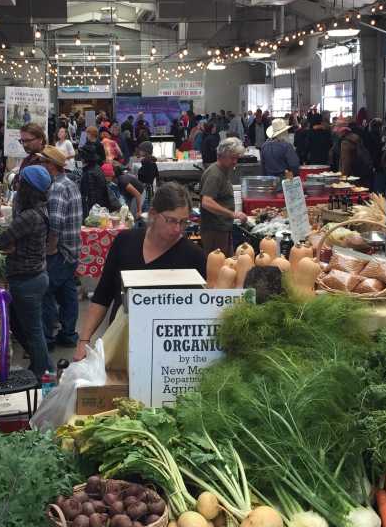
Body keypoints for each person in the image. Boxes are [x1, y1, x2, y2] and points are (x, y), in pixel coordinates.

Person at [73, 183, 206, 362]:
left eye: (183, 222)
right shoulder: (125, 241)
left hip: (166, 354)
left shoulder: (193, 256)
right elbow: (102, 296)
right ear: (152, 214)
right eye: (171, 220)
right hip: (119, 345)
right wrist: (84, 341)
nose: (177, 229)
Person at [0, 165, 53, 379]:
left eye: (20, 182)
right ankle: (40, 368)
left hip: (27, 280)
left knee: (34, 331)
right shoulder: (40, 209)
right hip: (35, 276)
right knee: (26, 327)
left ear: (27, 187)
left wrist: (10, 246)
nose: (17, 185)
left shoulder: (29, 216)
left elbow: (0, 241)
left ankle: (45, 373)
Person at [39, 146, 83, 349]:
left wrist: (50, 249)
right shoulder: (70, 183)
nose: (40, 166)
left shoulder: (57, 187)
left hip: (61, 251)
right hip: (72, 249)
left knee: (46, 291)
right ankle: (68, 334)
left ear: (51, 166)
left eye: (43, 163)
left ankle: (47, 339)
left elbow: (55, 224)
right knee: (68, 292)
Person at [199, 137, 247, 256]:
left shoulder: (224, 170)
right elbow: (206, 202)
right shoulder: (215, 174)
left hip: (222, 227)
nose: (235, 161)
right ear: (222, 155)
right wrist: (232, 214)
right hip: (214, 230)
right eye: (232, 158)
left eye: (237, 158)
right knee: (218, 266)